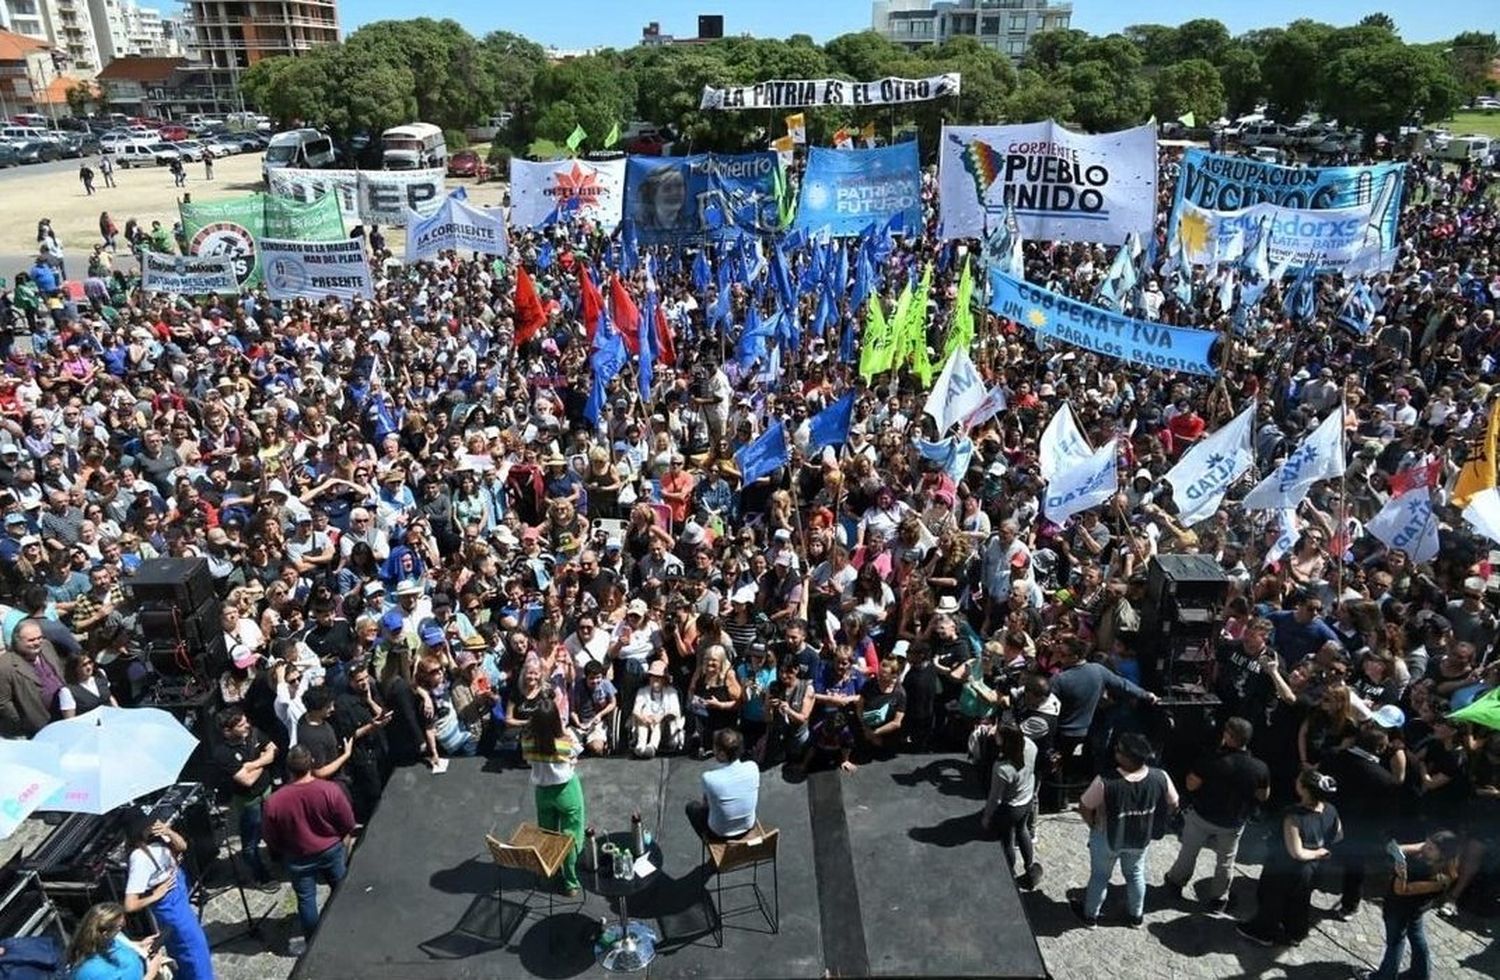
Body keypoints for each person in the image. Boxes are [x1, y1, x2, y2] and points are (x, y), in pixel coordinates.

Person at [1162, 716, 1270, 914]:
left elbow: (1190, 784)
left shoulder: (1211, 759)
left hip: (1203, 815)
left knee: (1189, 851)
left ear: (1228, 736)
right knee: (1226, 861)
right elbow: (1263, 796)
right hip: (1233, 822)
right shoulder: (1260, 768)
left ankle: (1175, 883)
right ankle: (1218, 900)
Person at [1073, 732, 1179, 928]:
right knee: (1136, 874)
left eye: (1118, 750)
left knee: (1100, 876)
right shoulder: (1160, 777)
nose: (1115, 751)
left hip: (1107, 837)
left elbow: (1085, 806)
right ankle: (1136, 916)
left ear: (1127, 758)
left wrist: (1094, 825)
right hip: (1140, 838)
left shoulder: (1105, 781)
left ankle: (1090, 916)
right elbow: (1174, 803)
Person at [261, 745, 357, 942]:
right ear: (311, 763)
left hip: (298, 856)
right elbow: (348, 822)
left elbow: (270, 836)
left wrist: (281, 851)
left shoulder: (274, 801)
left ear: (289, 769)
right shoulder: (330, 790)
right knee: (340, 888)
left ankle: (313, 942)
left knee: (306, 900)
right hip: (331, 850)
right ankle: (350, 925)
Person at [1238, 769, 1342, 947]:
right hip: (1312, 869)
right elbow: (1338, 835)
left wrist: (1316, 852)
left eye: (1299, 780)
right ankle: (1296, 933)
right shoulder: (1331, 810)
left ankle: (1263, 933)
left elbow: (1297, 852)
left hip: (1285, 868)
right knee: (1300, 902)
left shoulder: (1293, 816)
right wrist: (1322, 851)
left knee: (1272, 900)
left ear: (1304, 789)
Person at [120, 812, 214, 980]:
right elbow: (130, 904)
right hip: (170, 905)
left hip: (179, 893)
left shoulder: (158, 839)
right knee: (193, 949)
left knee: (183, 948)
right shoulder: (139, 858)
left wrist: (169, 832)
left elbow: (182, 846)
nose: (153, 824)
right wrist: (156, 895)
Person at [1356, 830, 1460, 980]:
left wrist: (1401, 874)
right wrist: (1399, 854)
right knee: (1417, 937)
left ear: (1443, 855)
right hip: (1415, 909)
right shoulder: (1427, 855)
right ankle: (1420, 974)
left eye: (1431, 848)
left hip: (1401, 909)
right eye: (1426, 843)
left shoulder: (1440, 879)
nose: (1425, 848)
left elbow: (1402, 890)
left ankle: (1384, 977)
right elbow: (1398, 849)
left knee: (1395, 943)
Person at [521, 698, 585, 896]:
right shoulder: (563, 743)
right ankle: (571, 883)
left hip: (543, 792)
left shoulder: (528, 743)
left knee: (549, 835)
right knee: (570, 836)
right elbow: (577, 751)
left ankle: (551, 872)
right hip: (566, 790)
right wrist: (564, 731)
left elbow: (526, 758)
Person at [981, 721, 1043, 890]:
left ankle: (1010, 875)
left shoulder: (1002, 767)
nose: (995, 736)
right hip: (1027, 799)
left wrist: (987, 817)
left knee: (1008, 840)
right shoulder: (1031, 746)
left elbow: (995, 798)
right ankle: (1030, 868)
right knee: (1023, 831)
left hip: (1011, 807)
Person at [686, 728, 759, 843]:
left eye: (715, 747)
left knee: (691, 807)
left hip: (720, 833)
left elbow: (706, 806)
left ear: (722, 754)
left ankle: (709, 840)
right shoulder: (753, 767)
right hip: (748, 826)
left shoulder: (709, 778)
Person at [64, 902, 169, 980]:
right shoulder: (93, 970)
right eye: (119, 927)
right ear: (105, 933)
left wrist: (139, 945)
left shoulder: (109, 937)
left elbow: (118, 942)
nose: (122, 928)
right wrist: (151, 973)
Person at [0, 619, 67, 737]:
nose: (37, 642)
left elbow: (59, 670)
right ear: (17, 641)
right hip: (38, 727)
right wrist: (25, 720)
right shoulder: (5, 666)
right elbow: (4, 703)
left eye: (39, 637)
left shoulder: (46, 646)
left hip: (64, 714)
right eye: (31, 640)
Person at [631, 660, 683, 758]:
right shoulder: (642, 691)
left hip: (666, 728)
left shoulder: (671, 692)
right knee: (643, 714)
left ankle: (652, 746)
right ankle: (641, 746)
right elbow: (635, 710)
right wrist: (644, 718)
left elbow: (674, 712)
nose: (655, 679)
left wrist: (660, 717)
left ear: (664, 679)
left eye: (659, 677)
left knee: (660, 721)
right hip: (646, 724)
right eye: (653, 677)